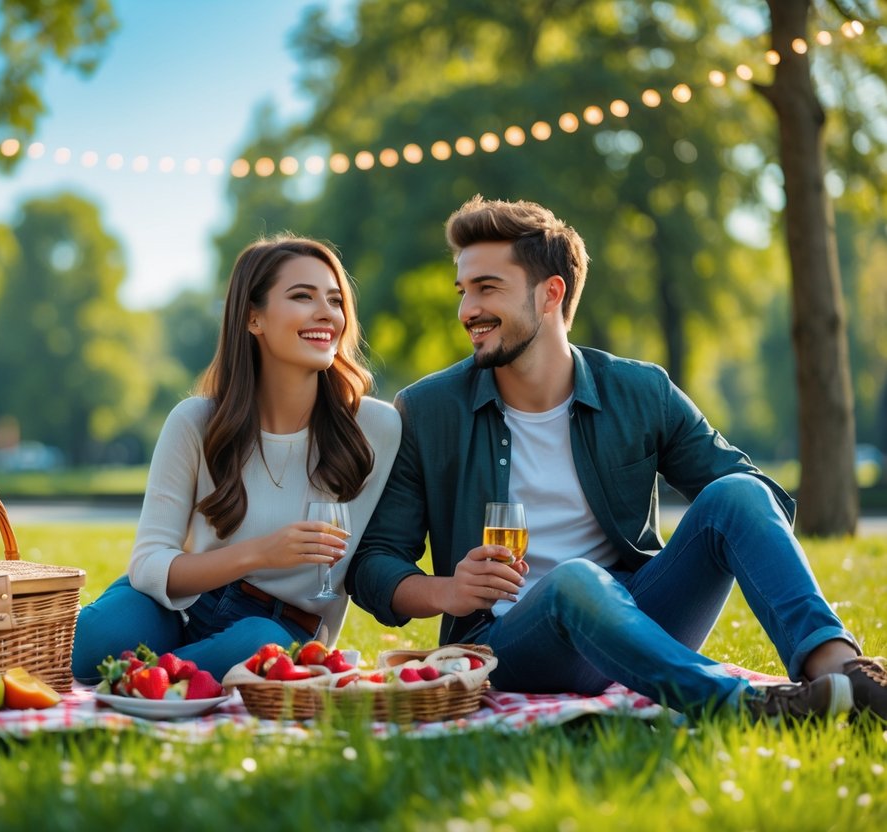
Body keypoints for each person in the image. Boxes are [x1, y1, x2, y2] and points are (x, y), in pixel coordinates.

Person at [347, 195, 885, 720]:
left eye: (487, 288)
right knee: (576, 581)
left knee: (740, 493)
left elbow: (761, 508)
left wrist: (749, 530)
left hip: (638, 618)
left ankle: (845, 673)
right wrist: (449, 591)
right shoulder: (429, 410)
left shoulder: (639, 390)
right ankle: (745, 705)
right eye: (463, 291)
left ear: (549, 293)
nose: (468, 310)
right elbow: (374, 566)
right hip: (508, 645)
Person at [72, 235, 401, 683]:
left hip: (282, 626)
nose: (327, 313)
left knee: (255, 645)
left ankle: (151, 679)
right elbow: (149, 565)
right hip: (186, 604)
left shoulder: (377, 429)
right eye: (302, 296)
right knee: (94, 642)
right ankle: (166, 675)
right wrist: (261, 553)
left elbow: (385, 551)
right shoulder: (196, 421)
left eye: (335, 300)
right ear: (253, 317)